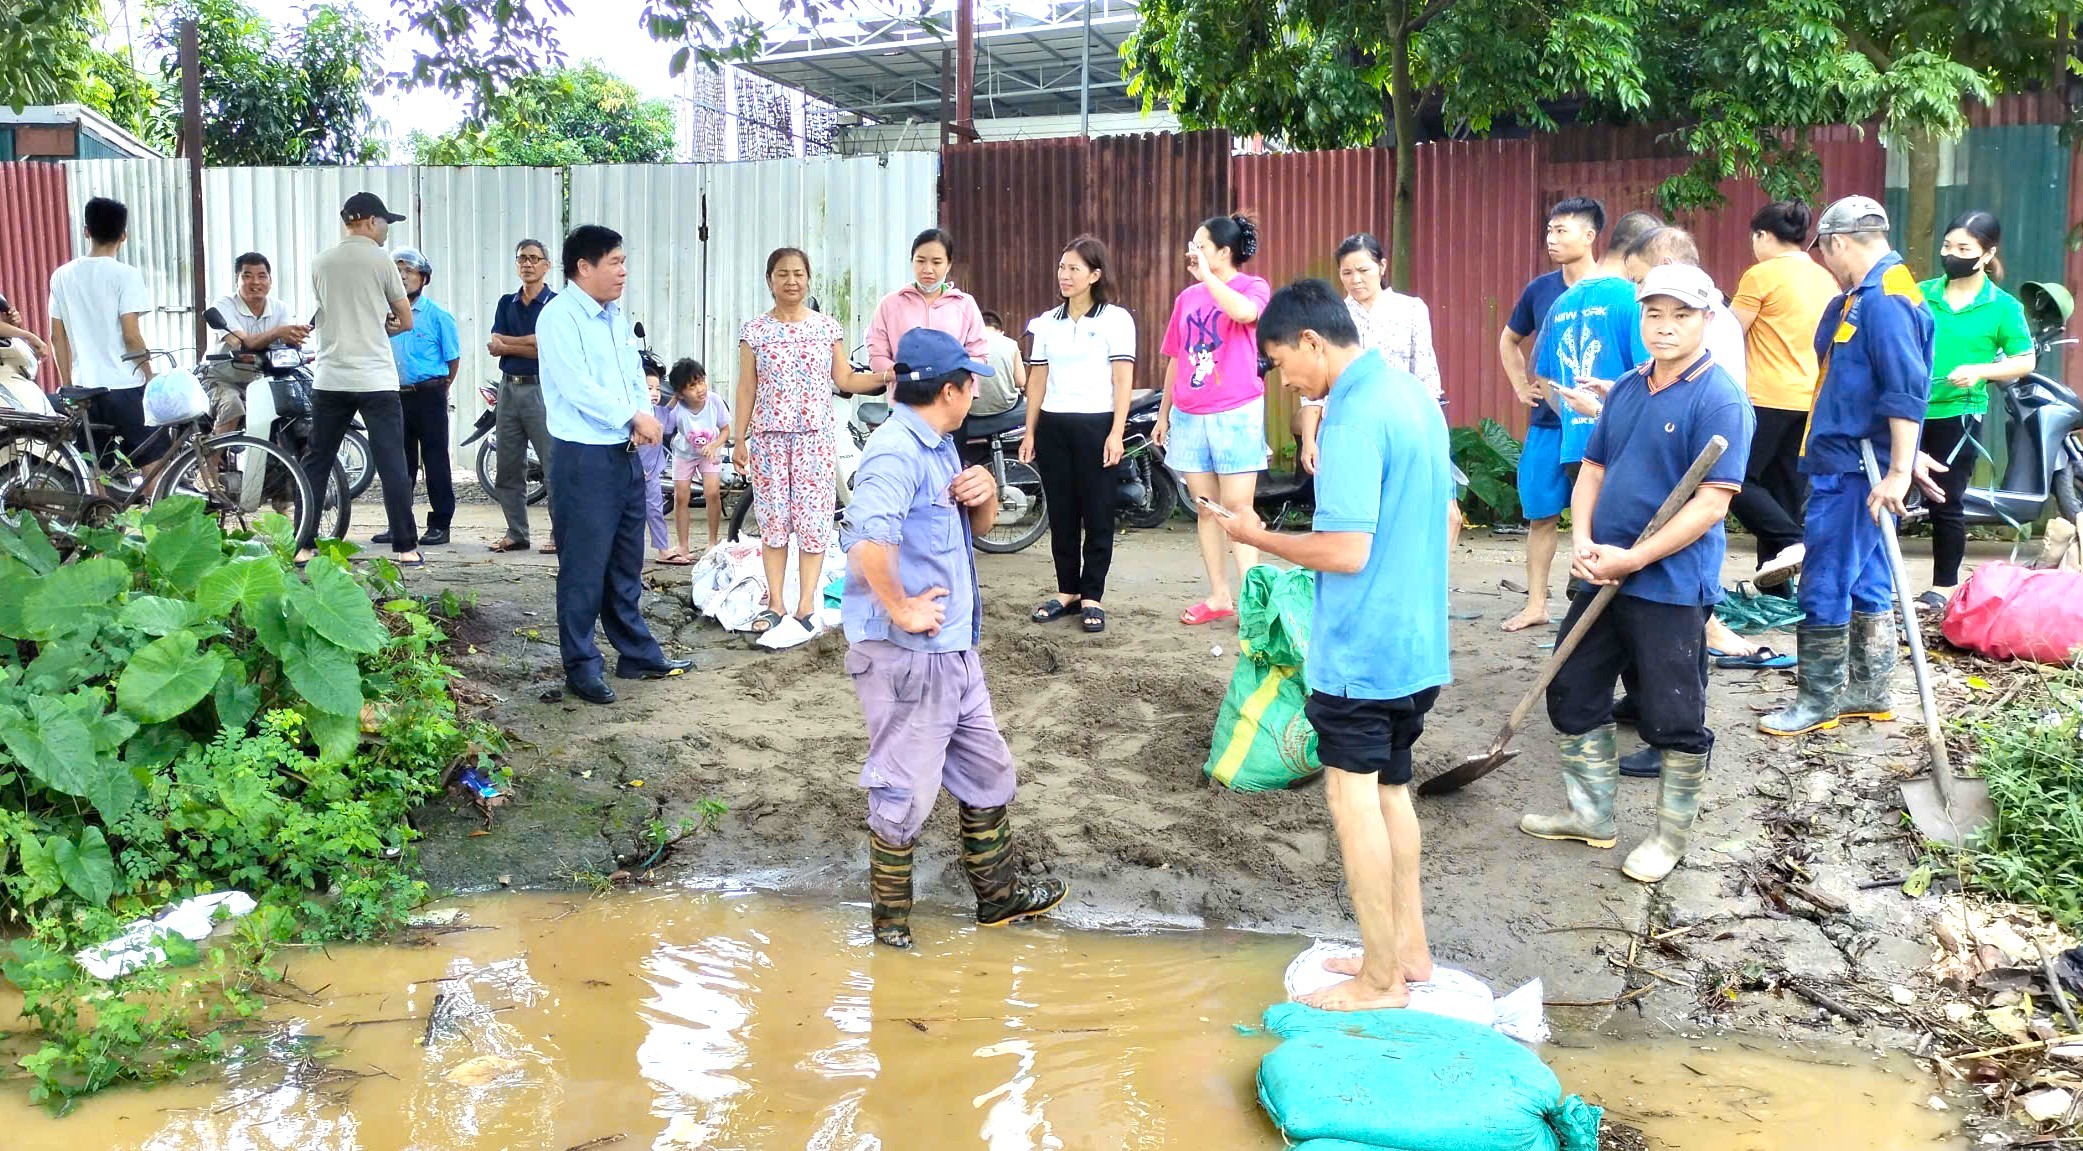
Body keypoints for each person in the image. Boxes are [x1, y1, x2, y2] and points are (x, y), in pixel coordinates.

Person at [1214, 278, 1450, 1010]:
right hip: (1416, 642)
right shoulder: (1412, 395)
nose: (1283, 379)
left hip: (1361, 651)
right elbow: (1446, 517)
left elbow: (1346, 551)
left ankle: (1380, 979)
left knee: (1352, 799)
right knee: (1391, 791)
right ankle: (1407, 952)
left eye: (1282, 361)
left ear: (1312, 342)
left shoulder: (1350, 416)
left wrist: (1256, 536)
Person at [1521, 263, 1754, 885]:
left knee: (1672, 711)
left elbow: (1711, 504)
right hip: (1603, 570)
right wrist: (1583, 540)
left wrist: (1635, 558)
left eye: (1681, 315)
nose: (1665, 326)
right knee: (1572, 686)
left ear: (1706, 320)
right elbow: (1593, 470)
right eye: (1654, 313)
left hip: (1669, 585)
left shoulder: (1719, 397)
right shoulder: (1627, 387)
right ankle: (1590, 814)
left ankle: (1668, 837)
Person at [841, 326, 1068, 950]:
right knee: (902, 792)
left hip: (954, 651)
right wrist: (901, 608)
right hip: (910, 657)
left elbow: (978, 530)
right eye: (971, 382)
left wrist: (986, 494)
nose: (975, 390)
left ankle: (998, 899)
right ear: (951, 390)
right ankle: (890, 930)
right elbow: (867, 543)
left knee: (988, 771)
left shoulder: (940, 443)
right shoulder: (896, 451)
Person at [1760, 196, 1933, 738]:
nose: (1826, 260)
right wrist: (1904, 455)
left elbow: (1905, 389)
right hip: (1852, 461)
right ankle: (1870, 691)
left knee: (1826, 579)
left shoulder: (1886, 300)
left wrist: (1899, 468)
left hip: (1856, 471)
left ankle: (1818, 700)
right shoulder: (1861, 297)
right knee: (1869, 579)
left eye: (1825, 251)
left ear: (1837, 243)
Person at [535, 224, 689, 704]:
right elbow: (576, 386)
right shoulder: (559, 317)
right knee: (584, 567)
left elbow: (631, 376)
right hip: (584, 458)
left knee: (625, 560)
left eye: (623, 262)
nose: (623, 271)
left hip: (625, 455)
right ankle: (581, 666)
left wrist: (642, 414)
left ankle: (636, 653)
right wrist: (631, 416)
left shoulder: (615, 318)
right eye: (615, 262)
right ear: (584, 267)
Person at [733, 247, 875, 649]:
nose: (791, 281)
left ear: (808, 278)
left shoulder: (827, 328)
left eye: (798, 273)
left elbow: (845, 379)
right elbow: (747, 387)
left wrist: (886, 376)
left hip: (815, 438)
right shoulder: (754, 331)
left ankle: (806, 605)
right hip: (769, 439)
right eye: (782, 274)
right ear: (770, 280)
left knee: (814, 523)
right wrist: (739, 438)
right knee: (773, 522)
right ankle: (775, 604)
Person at [1297, 233, 1467, 553]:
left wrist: (1433, 436)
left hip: (1404, 424)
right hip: (1348, 426)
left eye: (1364, 270)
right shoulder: (1331, 317)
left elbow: (1427, 377)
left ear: (1382, 267)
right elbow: (1312, 390)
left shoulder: (1411, 309)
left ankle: (1424, 575)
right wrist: (1309, 439)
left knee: (1435, 512)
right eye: (1347, 273)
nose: (1356, 280)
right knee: (1358, 513)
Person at [1156, 212, 1274, 627]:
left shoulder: (1253, 287)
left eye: (1200, 245)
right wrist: (1164, 413)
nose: (1192, 252)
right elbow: (1177, 358)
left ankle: (1253, 603)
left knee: (1239, 508)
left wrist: (1207, 277)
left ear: (1224, 252)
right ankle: (1219, 596)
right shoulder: (1186, 298)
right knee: (1206, 508)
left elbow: (1244, 313)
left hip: (1236, 412)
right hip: (1190, 415)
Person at [1916, 210, 2035, 611]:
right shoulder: (1920, 294)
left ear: (1987, 254)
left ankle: (1944, 587)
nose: (1952, 254)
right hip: (1907, 409)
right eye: (1947, 246)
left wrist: (1980, 371)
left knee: (1946, 501)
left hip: (1959, 415)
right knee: (1885, 491)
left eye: (1964, 249)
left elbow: (2025, 360)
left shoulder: (2002, 306)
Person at [1018, 235, 1136, 634]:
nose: (1064, 275)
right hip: (1053, 426)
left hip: (1097, 425)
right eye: (1061, 267)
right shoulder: (1047, 323)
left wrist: (1116, 432)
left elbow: (1122, 380)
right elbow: (1038, 379)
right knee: (1062, 511)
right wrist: (1030, 431)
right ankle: (1067, 590)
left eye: (1074, 269)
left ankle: (1092, 596)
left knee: (1098, 511)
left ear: (1095, 275)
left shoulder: (1115, 320)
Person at [299, 192, 421, 566]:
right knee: (392, 462)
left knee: (317, 461)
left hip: (331, 377)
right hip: (375, 379)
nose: (386, 230)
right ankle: (405, 547)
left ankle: (303, 544)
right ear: (369, 221)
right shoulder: (381, 261)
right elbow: (406, 319)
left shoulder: (320, 262)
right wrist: (385, 325)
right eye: (385, 222)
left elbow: (329, 312)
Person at [1498, 197, 1603, 633]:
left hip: (1596, 424)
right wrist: (1520, 386)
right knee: (1541, 514)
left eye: (1562, 230)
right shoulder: (1540, 290)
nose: (1551, 239)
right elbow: (1509, 340)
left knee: (1600, 516)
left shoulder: (1614, 290)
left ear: (1590, 236)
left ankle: (1596, 603)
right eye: (1549, 230)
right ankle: (1536, 604)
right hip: (1547, 423)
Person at [1732, 202, 1841, 587]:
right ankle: (1775, 590)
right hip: (1811, 400)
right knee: (1782, 495)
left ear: (1762, 235)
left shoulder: (1760, 276)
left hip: (1765, 398)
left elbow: (1730, 333)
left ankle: (1795, 541)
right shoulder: (1826, 279)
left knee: (1734, 482)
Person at [47, 196, 158, 464]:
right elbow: (131, 336)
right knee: (153, 459)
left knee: (95, 465)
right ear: (123, 235)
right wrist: (150, 375)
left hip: (85, 388)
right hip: (124, 386)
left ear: (86, 231)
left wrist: (68, 385)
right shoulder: (126, 275)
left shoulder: (62, 275)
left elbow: (56, 337)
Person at [487, 238, 561, 554]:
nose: (527, 264)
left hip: (541, 389)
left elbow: (548, 347)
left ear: (547, 265)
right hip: (508, 389)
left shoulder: (556, 305)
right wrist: (528, 343)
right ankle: (516, 533)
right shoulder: (507, 303)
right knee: (508, 465)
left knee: (552, 464)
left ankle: (560, 533)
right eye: (521, 258)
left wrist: (510, 345)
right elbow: (495, 342)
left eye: (533, 258)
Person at [383, 248, 460, 548]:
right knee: (398, 463)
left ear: (423, 278)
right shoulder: (384, 316)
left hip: (429, 395)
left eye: (409, 272)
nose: (402, 277)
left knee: (435, 459)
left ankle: (440, 524)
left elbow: (453, 359)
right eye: (397, 271)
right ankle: (399, 525)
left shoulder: (438, 316)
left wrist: (442, 386)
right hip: (395, 395)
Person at [862, 227, 989, 389]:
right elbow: (877, 355)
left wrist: (951, 372)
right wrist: (904, 375)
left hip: (952, 397)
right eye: (920, 261)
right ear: (912, 261)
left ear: (949, 265)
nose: (928, 269)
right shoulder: (890, 304)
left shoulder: (965, 304)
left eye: (936, 262)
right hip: (905, 397)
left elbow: (979, 355)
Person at [204, 252, 310, 436]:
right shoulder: (224, 305)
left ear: (270, 281)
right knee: (232, 406)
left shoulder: (280, 308)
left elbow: (286, 342)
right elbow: (242, 342)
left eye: (262, 276)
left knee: (292, 407)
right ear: (237, 279)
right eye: (247, 276)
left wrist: (297, 336)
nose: (255, 282)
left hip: (262, 380)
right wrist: (277, 332)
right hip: (222, 378)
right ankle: (214, 454)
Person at [666, 358, 730, 558]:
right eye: (692, 387)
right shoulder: (678, 407)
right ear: (681, 393)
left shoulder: (714, 401)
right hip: (684, 453)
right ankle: (683, 546)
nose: (700, 389)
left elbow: (725, 430)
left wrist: (715, 445)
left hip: (709, 452)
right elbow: (665, 426)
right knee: (681, 496)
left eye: (701, 381)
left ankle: (712, 542)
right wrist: (674, 400)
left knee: (712, 493)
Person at [638, 354, 681, 564]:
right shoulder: (635, 417)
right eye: (649, 388)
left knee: (655, 510)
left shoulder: (658, 412)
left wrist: (679, 394)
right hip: (633, 474)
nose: (655, 393)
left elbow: (668, 411)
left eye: (657, 389)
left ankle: (663, 549)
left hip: (652, 474)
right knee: (633, 515)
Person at [976, 310, 1027, 417]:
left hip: (972, 408)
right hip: (1005, 406)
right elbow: (1020, 382)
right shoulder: (1011, 344)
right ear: (1002, 332)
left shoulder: (966, 344)